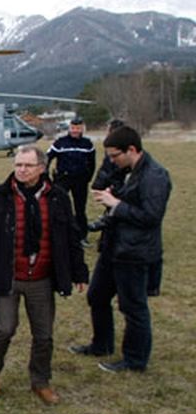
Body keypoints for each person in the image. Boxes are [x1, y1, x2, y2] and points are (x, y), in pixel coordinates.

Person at [0, 145, 89, 404]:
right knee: (4, 328)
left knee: (44, 334)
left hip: (43, 279)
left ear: (42, 168)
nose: (22, 170)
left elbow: (71, 236)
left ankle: (40, 381)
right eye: (18, 165)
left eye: (27, 165)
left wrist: (79, 272)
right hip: (7, 276)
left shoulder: (58, 197)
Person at [70, 127, 172, 373]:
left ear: (132, 150)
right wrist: (105, 214)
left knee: (133, 307)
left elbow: (151, 216)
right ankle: (102, 344)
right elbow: (123, 206)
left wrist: (115, 204)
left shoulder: (155, 176)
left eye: (115, 156)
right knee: (97, 296)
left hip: (134, 253)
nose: (112, 161)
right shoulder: (127, 171)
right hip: (113, 248)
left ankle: (135, 361)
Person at [47, 118, 96, 246]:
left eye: (78, 128)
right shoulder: (60, 143)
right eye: (73, 128)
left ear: (82, 129)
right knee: (58, 207)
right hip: (63, 179)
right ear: (69, 128)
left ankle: (81, 237)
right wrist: (45, 176)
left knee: (80, 209)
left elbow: (92, 163)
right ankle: (58, 235)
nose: (75, 131)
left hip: (80, 180)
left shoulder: (87, 144)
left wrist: (88, 177)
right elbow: (47, 158)